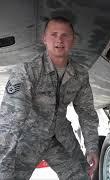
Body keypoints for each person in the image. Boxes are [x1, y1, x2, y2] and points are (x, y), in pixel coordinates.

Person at [0, 16, 99, 180]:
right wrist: (3, 167)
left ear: (73, 40)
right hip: (29, 139)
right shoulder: (27, 72)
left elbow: (86, 112)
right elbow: (10, 121)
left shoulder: (80, 74)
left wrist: (92, 147)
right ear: (44, 38)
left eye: (65, 35)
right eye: (54, 34)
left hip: (61, 139)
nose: (59, 40)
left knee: (81, 175)